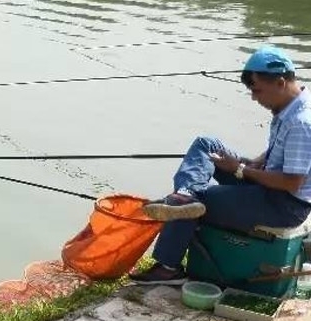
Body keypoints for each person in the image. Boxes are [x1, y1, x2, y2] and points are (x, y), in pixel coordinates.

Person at [130, 46, 311, 284]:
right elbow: (286, 148)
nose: (254, 98)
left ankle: (168, 267)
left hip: (283, 205)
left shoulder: (300, 122)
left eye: (257, 90)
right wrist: (258, 160)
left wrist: (241, 170)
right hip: (268, 183)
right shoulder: (293, 103)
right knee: (207, 145)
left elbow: (292, 182)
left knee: (202, 199)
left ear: (280, 82)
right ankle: (185, 195)